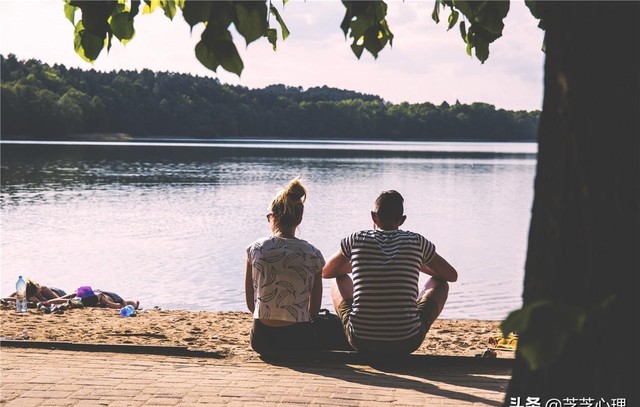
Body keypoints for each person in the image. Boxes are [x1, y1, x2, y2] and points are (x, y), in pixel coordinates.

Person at [322, 190, 458, 355]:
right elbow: (451, 275)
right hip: (407, 341)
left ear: (374, 217)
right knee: (440, 283)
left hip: (361, 340)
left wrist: (362, 262)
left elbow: (326, 272)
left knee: (337, 279)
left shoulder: (356, 239)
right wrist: (416, 261)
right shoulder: (416, 241)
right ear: (402, 220)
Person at [245, 178, 325, 355]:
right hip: (298, 340)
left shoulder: (255, 249)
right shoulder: (313, 253)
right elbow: (314, 311)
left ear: (274, 217)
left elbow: (252, 305)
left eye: (268, 217)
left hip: (262, 339)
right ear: (299, 219)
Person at [41, 286, 139, 310]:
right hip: (90, 292)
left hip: (111, 296)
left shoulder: (100, 298)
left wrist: (125, 307)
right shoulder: (78, 297)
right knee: (70, 297)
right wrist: (48, 302)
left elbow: (118, 305)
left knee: (127, 302)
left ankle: (135, 304)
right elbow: (64, 299)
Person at [1, 279, 67, 305]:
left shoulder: (43, 290)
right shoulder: (23, 293)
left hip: (59, 293)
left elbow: (60, 300)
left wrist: (39, 301)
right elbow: (5, 299)